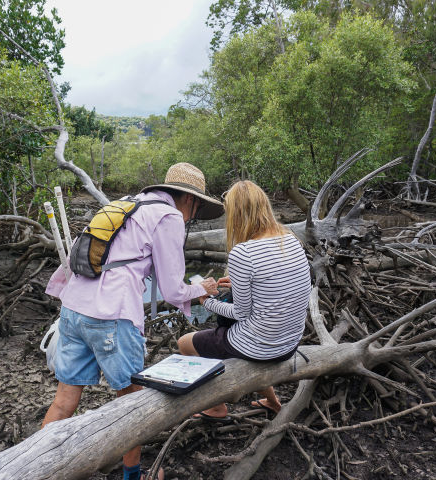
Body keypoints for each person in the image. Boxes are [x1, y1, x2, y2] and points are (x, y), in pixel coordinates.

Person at [42, 162, 223, 480]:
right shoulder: (169, 217)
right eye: (195, 208)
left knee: (64, 401)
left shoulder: (125, 203)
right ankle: (134, 475)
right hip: (111, 315)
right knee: (131, 404)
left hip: (72, 309)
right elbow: (172, 288)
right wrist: (203, 289)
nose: (192, 216)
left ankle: (38, 466)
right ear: (190, 199)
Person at [177, 180, 311, 419]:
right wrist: (237, 285)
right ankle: (273, 402)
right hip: (289, 342)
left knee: (185, 343)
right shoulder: (290, 238)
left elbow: (241, 314)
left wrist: (205, 300)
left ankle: (216, 405)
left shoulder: (243, 252)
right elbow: (273, 288)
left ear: (237, 213)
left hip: (262, 347)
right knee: (243, 330)